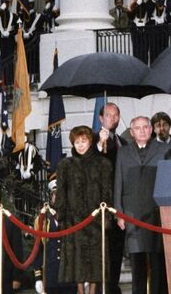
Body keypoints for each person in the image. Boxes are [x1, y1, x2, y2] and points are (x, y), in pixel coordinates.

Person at [113, 116, 171, 294]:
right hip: (132, 213)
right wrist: (119, 213)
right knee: (137, 263)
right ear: (131, 132)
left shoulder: (165, 150)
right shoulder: (123, 152)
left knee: (158, 261)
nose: (142, 130)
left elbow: (170, 183)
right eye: (137, 128)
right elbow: (118, 182)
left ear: (151, 129)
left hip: (157, 213)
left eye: (146, 127)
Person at [55, 125, 113, 294]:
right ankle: (80, 291)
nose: (80, 145)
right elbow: (61, 193)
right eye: (77, 142)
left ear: (90, 141)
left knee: (96, 259)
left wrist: (106, 216)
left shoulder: (103, 163)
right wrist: (62, 217)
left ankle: (93, 291)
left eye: (84, 141)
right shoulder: (65, 164)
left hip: (96, 219)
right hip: (74, 220)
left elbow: (107, 192)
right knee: (77, 260)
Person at [95, 102, 126, 294]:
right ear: (100, 118)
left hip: (119, 206)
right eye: (108, 115)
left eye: (115, 115)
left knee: (116, 250)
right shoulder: (91, 139)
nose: (112, 118)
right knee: (101, 252)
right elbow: (85, 158)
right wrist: (100, 144)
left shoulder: (123, 141)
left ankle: (113, 286)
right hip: (99, 206)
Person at [33, 181, 75, 294]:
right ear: (51, 197)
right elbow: (37, 249)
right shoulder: (43, 219)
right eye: (55, 194)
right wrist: (38, 277)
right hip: (50, 275)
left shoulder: (73, 219)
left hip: (70, 276)